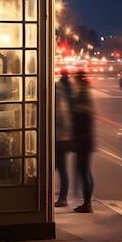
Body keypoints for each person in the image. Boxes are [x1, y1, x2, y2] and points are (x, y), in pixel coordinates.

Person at [71, 70, 95, 213]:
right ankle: (87, 202)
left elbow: (80, 119)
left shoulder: (82, 97)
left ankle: (87, 203)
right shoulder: (84, 95)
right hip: (85, 139)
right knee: (84, 171)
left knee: (83, 170)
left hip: (83, 140)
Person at [54, 70, 73, 207]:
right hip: (62, 138)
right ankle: (62, 196)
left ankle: (62, 197)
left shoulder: (58, 101)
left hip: (59, 139)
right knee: (60, 169)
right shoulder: (64, 98)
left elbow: (61, 120)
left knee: (58, 168)